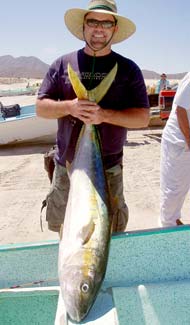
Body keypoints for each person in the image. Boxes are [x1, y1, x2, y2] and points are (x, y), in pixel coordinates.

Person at [36, 0, 150, 234]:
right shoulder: (62, 64)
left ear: (114, 29)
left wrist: (103, 115)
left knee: (107, 233)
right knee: (65, 232)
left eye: (106, 23)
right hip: (66, 167)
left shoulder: (128, 69)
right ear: (83, 27)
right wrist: (70, 107)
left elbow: (142, 118)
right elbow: (40, 108)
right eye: (93, 22)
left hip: (108, 169)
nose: (99, 28)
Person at [160, 72, 190, 227]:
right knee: (173, 192)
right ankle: (168, 231)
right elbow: (181, 110)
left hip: (185, 143)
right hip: (178, 143)